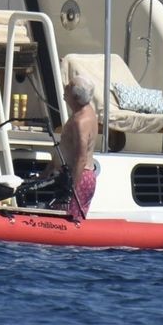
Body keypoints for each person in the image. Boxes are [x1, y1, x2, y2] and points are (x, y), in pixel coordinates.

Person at [37, 78, 100, 223]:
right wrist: (46, 172)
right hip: (72, 175)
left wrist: (70, 188)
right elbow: (66, 146)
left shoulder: (81, 121)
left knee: (67, 222)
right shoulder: (83, 112)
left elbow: (81, 157)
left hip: (79, 177)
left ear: (76, 97)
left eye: (68, 87)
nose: (65, 87)